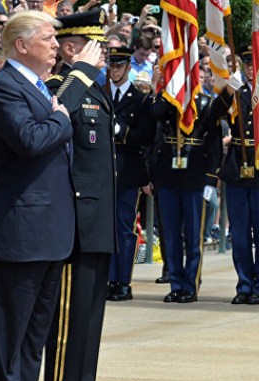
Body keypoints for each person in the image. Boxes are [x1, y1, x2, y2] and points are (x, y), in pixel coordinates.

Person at [0, 10, 75, 381]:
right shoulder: (3, 89)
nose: (56, 45)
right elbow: (30, 140)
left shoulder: (36, 87)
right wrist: (61, 119)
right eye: (49, 38)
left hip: (47, 231)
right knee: (7, 342)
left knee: (33, 340)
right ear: (21, 44)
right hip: (16, 233)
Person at [40, 10, 122, 381]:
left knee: (88, 329)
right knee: (68, 326)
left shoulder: (96, 89)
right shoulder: (62, 86)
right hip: (74, 225)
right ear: (72, 48)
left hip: (97, 222)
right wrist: (83, 72)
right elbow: (59, 113)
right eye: (96, 46)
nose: (104, 54)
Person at [209, 46, 259, 305]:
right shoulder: (236, 93)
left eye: (255, 64)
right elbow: (212, 116)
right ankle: (243, 283)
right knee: (240, 234)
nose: (251, 69)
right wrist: (228, 91)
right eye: (247, 64)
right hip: (236, 167)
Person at [150, 58, 222, 304]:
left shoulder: (207, 104)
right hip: (168, 174)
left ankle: (191, 284)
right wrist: (162, 87)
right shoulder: (169, 101)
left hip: (195, 174)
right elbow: (154, 115)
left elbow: (214, 144)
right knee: (170, 234)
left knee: (193, 235)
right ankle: (176, 283)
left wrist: (211, 180)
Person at [106, 46, 154, 302]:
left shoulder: (140, 99)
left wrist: (120, 131)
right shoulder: (101, 95)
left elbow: (145, 136)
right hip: (103, 172)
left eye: (119, 66)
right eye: (111, 65)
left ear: (127, 67)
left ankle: (122, 280)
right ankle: (107, 279)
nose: (114, 70)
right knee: (105, 228)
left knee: (124, 228)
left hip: (127, 172)